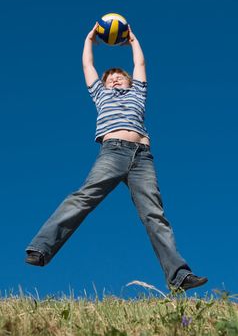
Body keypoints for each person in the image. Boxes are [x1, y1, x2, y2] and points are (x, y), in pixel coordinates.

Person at [25, 23, 208, 291]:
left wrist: (133, 40)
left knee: (154, 214)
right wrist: (89, 38)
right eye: (109, 77)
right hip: (113, 152)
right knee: (84, 196)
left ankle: (179, 276)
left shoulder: (138, 93)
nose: (113, 79)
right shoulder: (101, 95)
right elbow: (88, 66)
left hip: (143, 158)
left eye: (118, 76)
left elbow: (141, 63)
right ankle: (41, 247)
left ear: (129, 81)